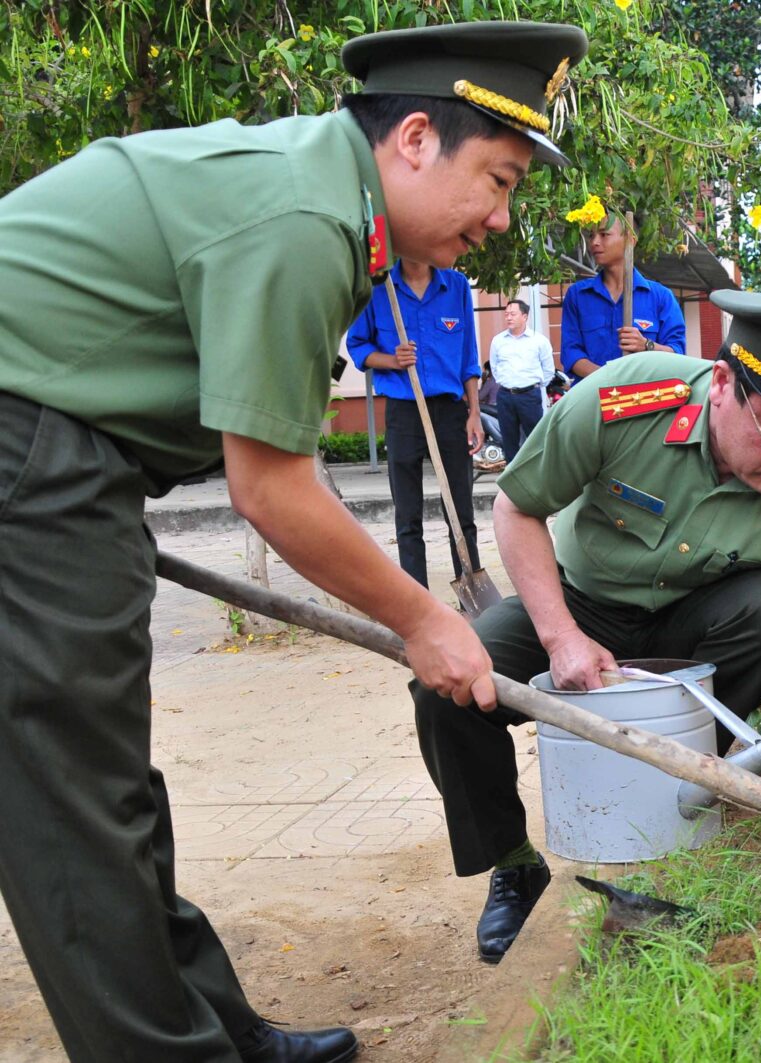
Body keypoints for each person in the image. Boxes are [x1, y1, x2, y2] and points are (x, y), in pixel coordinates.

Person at [0, 20, 587, 1063]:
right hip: (27, 439)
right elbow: (269, 489)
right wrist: (424, 622)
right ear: (414, 140)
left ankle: (219, 1032)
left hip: (60, 445)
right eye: (496, 181)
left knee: (106, 782)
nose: (500, 220)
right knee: (69, 801)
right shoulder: (306, 215)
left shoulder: (325, 204)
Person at [413, 289, 761, 965]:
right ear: (722, 383)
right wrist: (561, 635)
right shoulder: (628, 399)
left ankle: (690, 775)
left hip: (696, 624)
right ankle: (513, 864)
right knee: (445, 687)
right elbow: (516, 507)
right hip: (580, 601)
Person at [346, 259, 484, 589]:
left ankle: (472, 593)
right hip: (404, 412)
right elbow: (358, 346)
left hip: (450, 412)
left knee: (461, 511)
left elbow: (468, 357)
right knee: (408, 515)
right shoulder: (378, 287)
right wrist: (391, 360)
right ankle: (417, 599)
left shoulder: (456, 286)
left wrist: (474, 413)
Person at [559, 212, 687, 378]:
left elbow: (677, 354)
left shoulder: (661, 297)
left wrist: (646, 345)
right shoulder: (578, 296)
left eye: (604, 234)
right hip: (593, 397)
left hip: (645, 398)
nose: (594, 242)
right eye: (592, 235)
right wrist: (609, 378)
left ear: (630, 240)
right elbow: (571, 353)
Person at [487, 297, 556, 460]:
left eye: (513, 314)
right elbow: (495, 368)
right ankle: (511, 479)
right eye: (506, 314)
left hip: (529, 396)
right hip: (505, 395)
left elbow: (548, 370)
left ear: (525, 316)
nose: (509, 317)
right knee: (508, 439)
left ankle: (537, 476)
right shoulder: (498, 341)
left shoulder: (539, 341)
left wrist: (533, 386)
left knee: (535, 439)